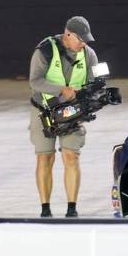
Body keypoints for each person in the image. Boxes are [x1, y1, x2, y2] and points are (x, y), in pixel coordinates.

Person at [29, 16, 99, 218]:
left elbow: (95, 84)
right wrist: (61, 90)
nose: (84, 43)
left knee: (71, 156)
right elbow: (35, 82)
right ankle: (45, 210)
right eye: (80, 39)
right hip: (43, 110)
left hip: (72, 112)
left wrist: (91, 100)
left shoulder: (89, 54)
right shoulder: (45, 50)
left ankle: (72, 209)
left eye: (86, 39)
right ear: (68, 34)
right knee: (45, 157)